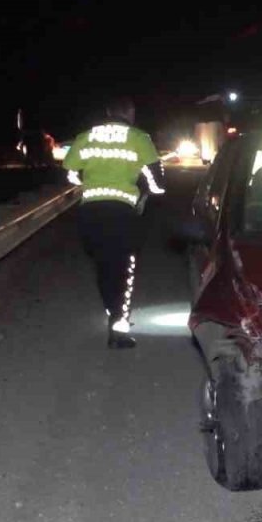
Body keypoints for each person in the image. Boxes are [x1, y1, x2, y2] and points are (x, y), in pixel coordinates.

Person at [63, 96, 165, 349]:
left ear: (108, 112)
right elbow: (157, 180)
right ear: (130, 114)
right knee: (124, 268)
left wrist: (90, 183)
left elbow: (70, 174)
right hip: (122, 213)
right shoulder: (139, 138)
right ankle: (119, 328)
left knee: (104, 267)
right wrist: (149, 192)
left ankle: (113, 312)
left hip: (90, 212)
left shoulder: (86, 136)